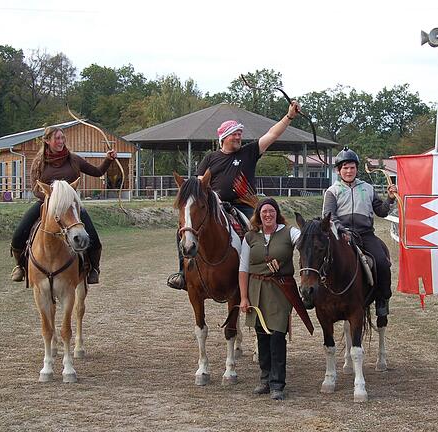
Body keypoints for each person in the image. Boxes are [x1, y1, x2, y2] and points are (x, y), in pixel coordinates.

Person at [168, 101, 301, 290]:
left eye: (240, 134)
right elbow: (199, 186)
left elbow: (273, 134)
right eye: (235, 134)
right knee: (184, 230)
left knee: (257, 232)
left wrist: (289, 117)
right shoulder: (210, 158)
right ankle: (183, 273)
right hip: (216, 206)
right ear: (224, 137)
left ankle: (259, 272)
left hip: (244, 205)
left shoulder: (249, 152)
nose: (239, 137)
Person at [10, 126, 117, 284]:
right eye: (57, 138)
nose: (61, 142)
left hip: (72, 207)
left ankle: (94, 268)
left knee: (93, 237)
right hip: (46, 205)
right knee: (18, 235)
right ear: (47, 141)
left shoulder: (73, 159)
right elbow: (35, 189)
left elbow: (97, 172)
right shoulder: (39, 163)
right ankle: (20, 266)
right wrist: (52, 200)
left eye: (62, 138)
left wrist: (108, 159)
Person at [322, 147, 397, 318]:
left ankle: (382, 299)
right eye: (345, 168)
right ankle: (316, 297)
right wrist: (342, 230)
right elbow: (329, 217)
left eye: (352, 167)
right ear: (338, 170)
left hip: (365, 235)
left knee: (382, 262)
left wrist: (390, 198)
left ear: (356, 169)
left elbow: (382, 211)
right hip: (342, 235)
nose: (349, 171)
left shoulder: (368, 188)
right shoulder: (332, 192)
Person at [238, 198, 301, 401]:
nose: (268, 215)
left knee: (276, 335)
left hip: (279, 290)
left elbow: (303, 241)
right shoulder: (250, 237)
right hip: (256, 290)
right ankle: (265, 379)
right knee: (262, 335)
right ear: (258, 214)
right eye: (264, 211)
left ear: (277, 213)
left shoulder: (289, 232)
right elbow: (243, 269)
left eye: (271, 211)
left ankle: (277, 383)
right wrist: (244, 297)